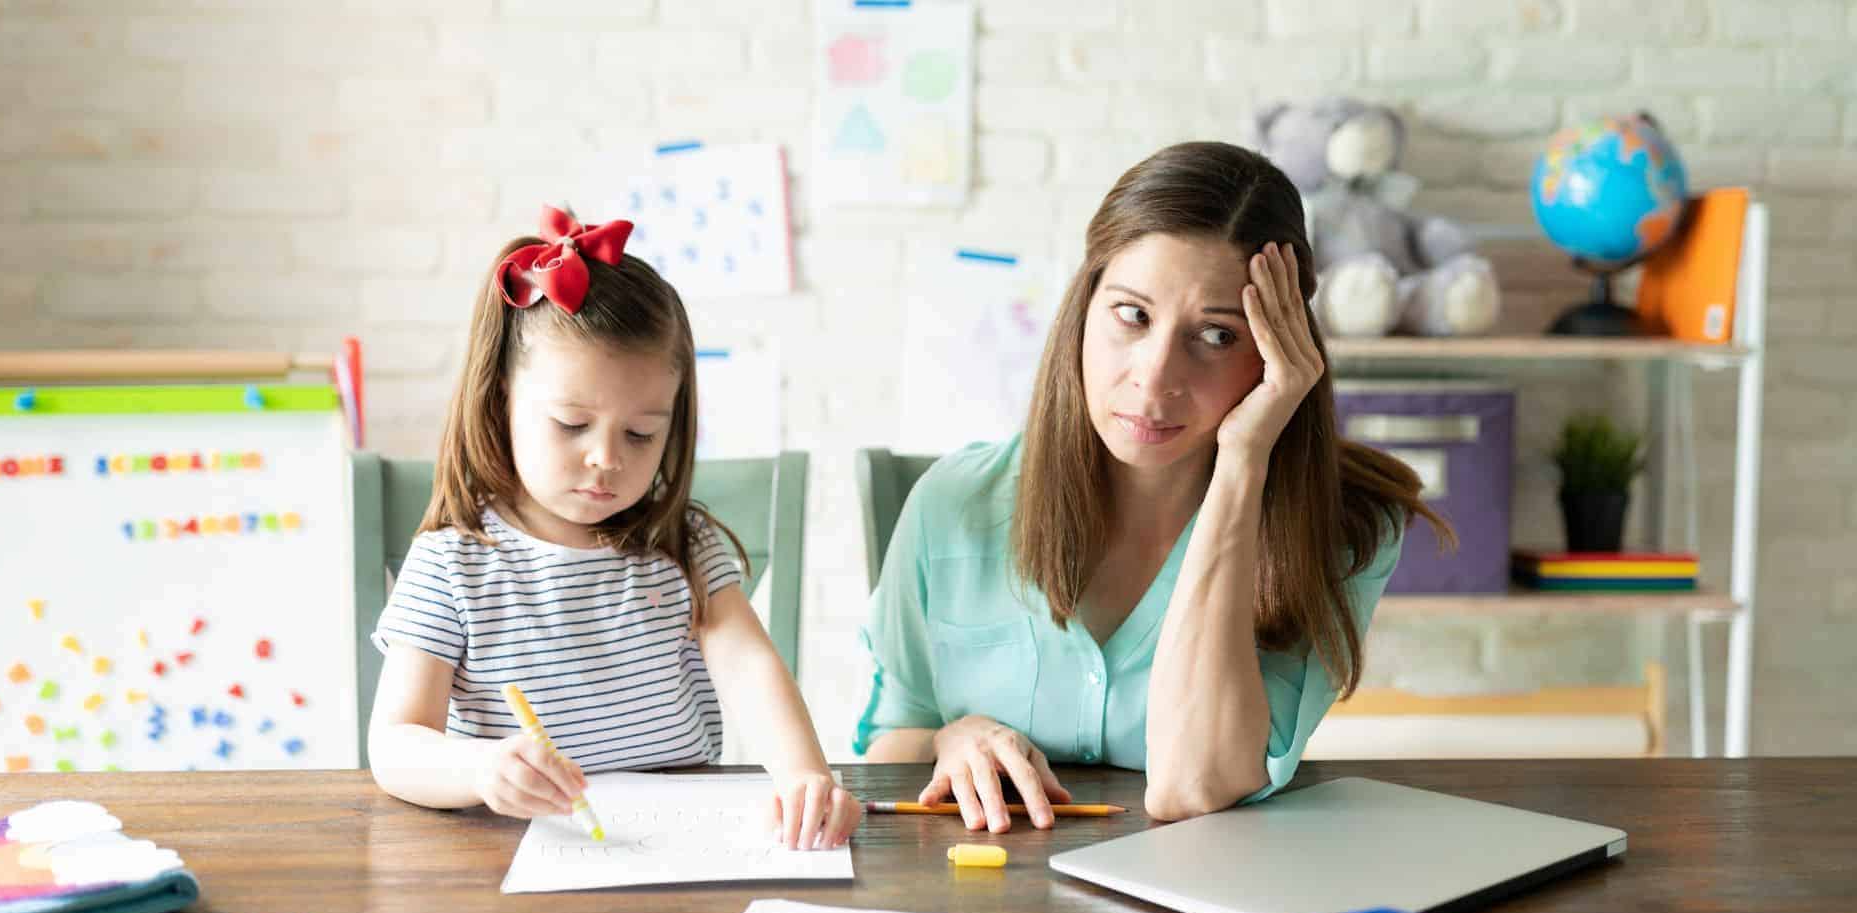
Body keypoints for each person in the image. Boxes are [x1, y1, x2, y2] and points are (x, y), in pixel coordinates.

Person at [857, 143, 1450, 832]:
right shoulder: (952, 502)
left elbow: (1193, 786)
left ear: (1280, 350)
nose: (1155, 376)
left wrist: (1245, 456)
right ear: (1084, 307)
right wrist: (950, 738)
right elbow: (886, 746)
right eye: (1132, 316)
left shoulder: (1343, 528)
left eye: (1218, 336)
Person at [369, 206, 860, 850]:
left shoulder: (682, 543)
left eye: (641, 433)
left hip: (678, 846)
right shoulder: (455, 562)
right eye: (572, 424)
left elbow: (748, 665)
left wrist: (804, 777)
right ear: (501, 402)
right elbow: (395, 745)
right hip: (507, 855)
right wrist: (480, 769)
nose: (607, 457)